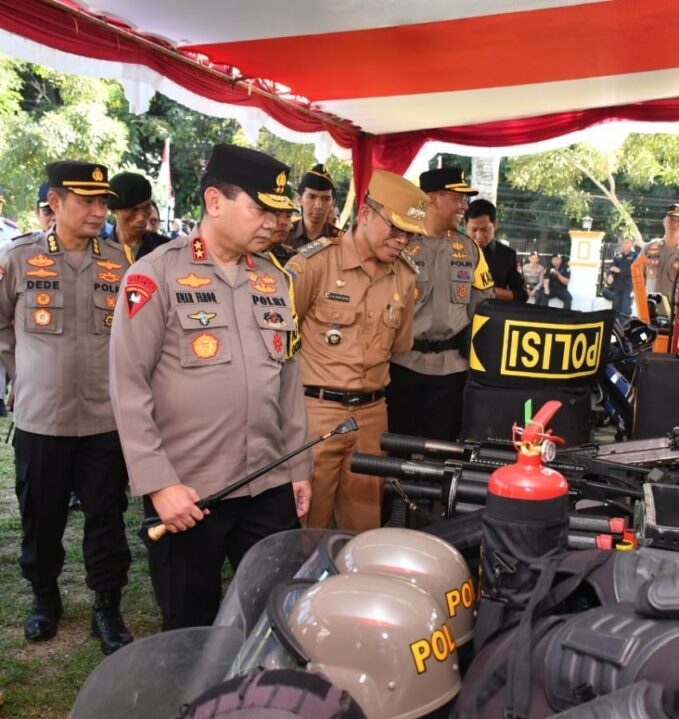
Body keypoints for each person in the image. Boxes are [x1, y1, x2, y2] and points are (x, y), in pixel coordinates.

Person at [109, 144, 311, 631]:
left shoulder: (273, 279)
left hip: (268, 482)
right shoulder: (155, 274)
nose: (273, 223)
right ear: (215, 201)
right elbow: (128, 386)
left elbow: (288, 379)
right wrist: (159, 484)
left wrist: (298, 466)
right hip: (189, 492)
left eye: (279, 212)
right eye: (261, 209)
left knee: (271, 617)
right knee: (190, 622)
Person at [0, 161, 133, 653]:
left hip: (104, 417)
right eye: (87, 201)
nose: (99, 211)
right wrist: (21, 373)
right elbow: (1, 323)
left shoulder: (119, 260)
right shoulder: (19, 258)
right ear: (55, 203)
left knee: (107, 516)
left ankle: (107, 605)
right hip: (42, 417)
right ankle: (44, 598)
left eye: (103, 202)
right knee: (41, 514)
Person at [287, 171, 426, 532]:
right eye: (395, 228)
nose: (402, 240)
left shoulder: (405, 277)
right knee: (307, 525)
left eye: (409, 234)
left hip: (372, 415)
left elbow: (399, 346)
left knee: (363, 529)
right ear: (364, 214)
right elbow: (278, 344)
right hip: (316, 413)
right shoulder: (314, 264)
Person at [386, 167, 494, 441]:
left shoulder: (469, 249)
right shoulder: (399, 244)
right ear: (432, 198)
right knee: (398, 446)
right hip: (403, 367)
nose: (464, 206)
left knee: (442, 449)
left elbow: (484, 308)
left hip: (452, 371)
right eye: (458, 198)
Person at [465, 198, 527, 302]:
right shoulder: (453, 251)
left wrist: (489, 291)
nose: (479, 236)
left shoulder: (507, 255)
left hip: (492, 311)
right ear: (465, 225)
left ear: (495, 224)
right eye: (474, 229)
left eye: (484, 229)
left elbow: (522, 295)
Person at [105, 172, 170, 263]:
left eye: (146, 208)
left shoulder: (167, 250)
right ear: (113, 210)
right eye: (133, 210)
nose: (141, 218)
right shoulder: (96, 251)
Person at [635, 203, 679, 297]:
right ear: (664, 221)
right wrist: (641, 303)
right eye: (671, 219)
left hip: (675, 306)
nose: (675, 224)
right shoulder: (648, 248)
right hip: (650, 305)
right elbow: (638, 278)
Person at [286, 163, 341, 249]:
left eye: (325, 199)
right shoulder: (285, 235)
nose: (318, 205)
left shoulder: (340, 240)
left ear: (333, 203)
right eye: (312, 197)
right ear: (299, 199)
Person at [606, 235, 640, 318]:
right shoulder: (618, 256)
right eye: (623, 243)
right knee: (615, 309)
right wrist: (610, 275)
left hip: (628, 287)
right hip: (617, 286)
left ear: (632, 244)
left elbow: (635, 271)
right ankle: (615, 326)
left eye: (627, 243)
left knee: (625, 309)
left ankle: (624, 326)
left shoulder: (636, 256)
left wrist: (620, 270)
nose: (624, 245)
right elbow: (612, 267)